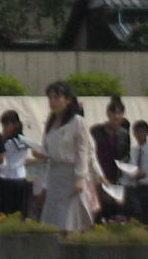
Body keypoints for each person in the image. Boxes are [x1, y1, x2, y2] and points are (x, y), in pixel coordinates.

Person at [38, 80, 95, 232]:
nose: (52, 102)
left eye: (56, 98)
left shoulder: (77, 122)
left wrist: (80, 178)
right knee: (53, 220)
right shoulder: (51, 121)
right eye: (50, 98)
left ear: (68, 100)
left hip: (71, 175)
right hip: (55, 175)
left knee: (70, 220)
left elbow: (83, 151)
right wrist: (40, 154)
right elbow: (46, 149)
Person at [89, 96, 130, 223]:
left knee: (116, 210)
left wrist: (124, 161)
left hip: (116, 176)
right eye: (113, 113)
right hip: (98, 175)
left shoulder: (124, 134)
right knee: (99, 209)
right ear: (108, 113)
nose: (116, 116)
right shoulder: (96, 131)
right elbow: (90, 153)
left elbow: (127, 153)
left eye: (119, 113)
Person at [121, 120, 148, 235]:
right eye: (136, 131)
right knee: (136, 215)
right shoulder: (131, 150)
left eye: (142, 131)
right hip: (134, 187)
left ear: (146, 133)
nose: (139, 134)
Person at [0, 110, 35, 219]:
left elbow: (0, 158)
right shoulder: (23, 140)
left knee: (7, 212)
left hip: (8, 179)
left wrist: (1, 138)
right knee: (21, 214)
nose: (4, 129)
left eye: (6, 125)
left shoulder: (9, 143)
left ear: (15, 124)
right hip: (21, 178)